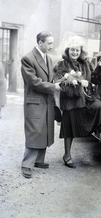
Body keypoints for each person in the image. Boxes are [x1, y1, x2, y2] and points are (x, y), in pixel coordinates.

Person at [53, 36, 101, 168]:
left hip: (86, 98)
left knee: (99, 106)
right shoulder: (61, 65)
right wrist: (78, 83)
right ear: (68, 51)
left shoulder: (86, 63)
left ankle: (93, 130)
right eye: (72, 50)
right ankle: (67, 155)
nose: (75, 53)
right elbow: (60, 85)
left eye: (77, 50)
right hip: (70, 101)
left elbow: (95, 80)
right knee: (69, 129)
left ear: (80, 51)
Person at [21, 31, 60, 178]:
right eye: (49, 43)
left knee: (44, 129)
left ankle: (38, 160)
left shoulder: (48, 58)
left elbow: (49, 78)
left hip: (46, 101)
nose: (51, 46)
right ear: (40, 43)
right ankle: (27, 164)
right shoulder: (28, 58)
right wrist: (53, 87)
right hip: (35, 102)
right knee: (35, 131)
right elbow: (34, 82)